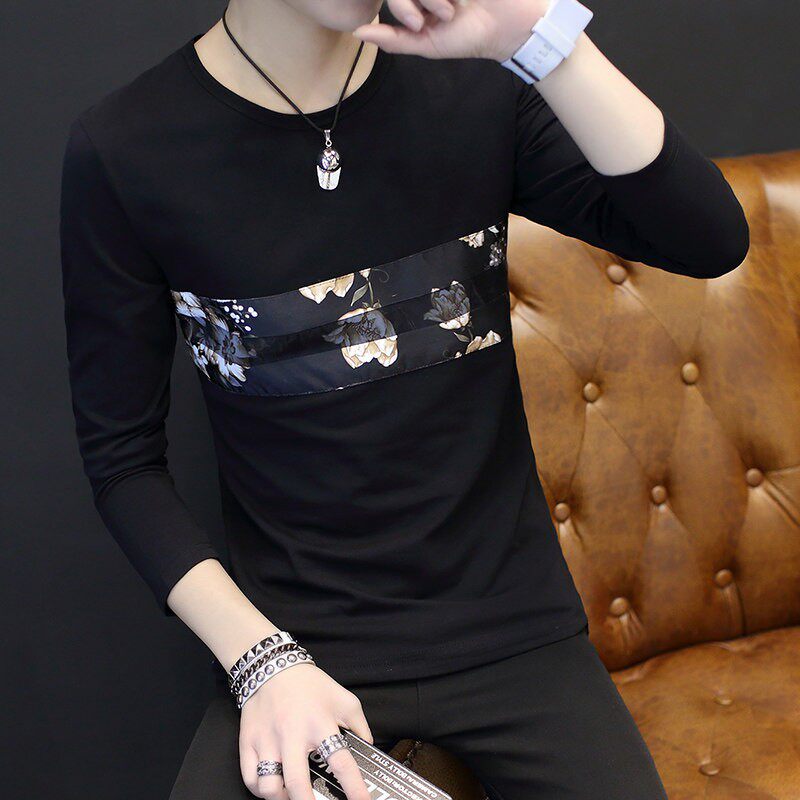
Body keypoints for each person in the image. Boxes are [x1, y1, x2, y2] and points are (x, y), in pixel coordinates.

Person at [59, 1, 749, 798]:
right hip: (297, 644)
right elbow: (124, 462)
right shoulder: (127, 148)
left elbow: (709, 239)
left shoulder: (474, 86)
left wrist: (543, 40)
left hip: (515, 634)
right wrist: (261, 660)